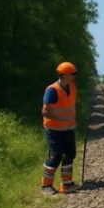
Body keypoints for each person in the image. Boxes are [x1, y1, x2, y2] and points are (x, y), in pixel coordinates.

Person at [41, 61, 79, 195]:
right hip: (54, 129)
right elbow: (45, 112)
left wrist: (74, 118)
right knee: (55, 156)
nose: (74, 76)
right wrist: (62, 119)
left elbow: (71, 106)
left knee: (70, 154)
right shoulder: (52, 90)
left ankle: (66, 184)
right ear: (64, 75)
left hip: (68, 128)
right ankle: (46, 185)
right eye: (72, 73)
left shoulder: (72, 87)